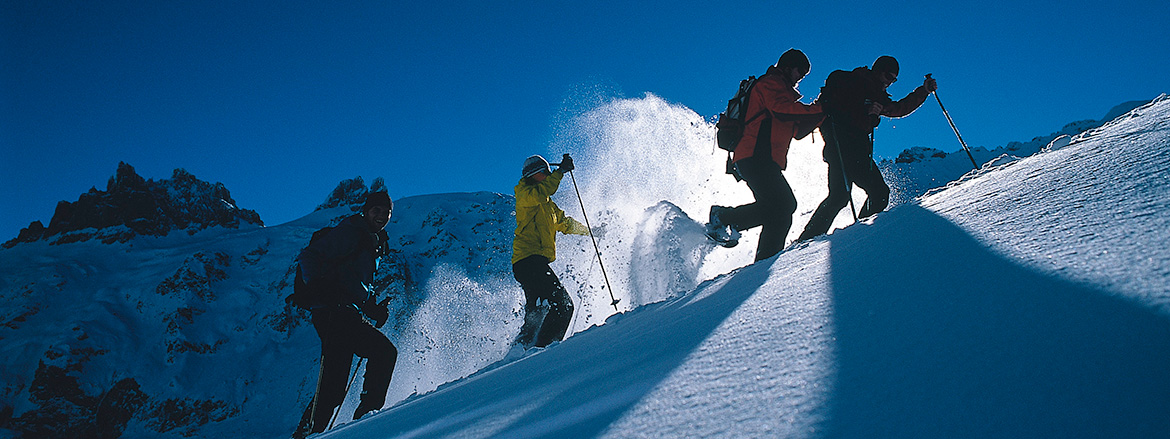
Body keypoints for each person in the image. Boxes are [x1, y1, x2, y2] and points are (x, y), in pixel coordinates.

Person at [796, 55, 937, 241]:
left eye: (894, 79)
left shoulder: (856, 83)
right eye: (889, 77)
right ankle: (859, 238)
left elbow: (895, 109)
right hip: (853, 150)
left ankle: (805, 240)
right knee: (879, 193)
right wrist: (922, 92)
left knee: (838, 197)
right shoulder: (867, 88)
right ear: (878, 71)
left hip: (835, 149)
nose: (890, 83)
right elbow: (897, 109)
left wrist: (922, 92)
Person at [706, 48, 824, 261]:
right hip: (753, 155)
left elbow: (796, 132)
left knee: (778, 212)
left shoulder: (785, 95)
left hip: (763, 159)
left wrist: (820, 114)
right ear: (788, 67)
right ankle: (724, 217)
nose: (801, 78)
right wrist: (819, 110)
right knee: (785, 205)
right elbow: (781, 110)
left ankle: (766, 261)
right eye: (800, 72)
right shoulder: (770, 84)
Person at [296, 191, 397, 435]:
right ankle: (366, 419)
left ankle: (308, 433)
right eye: (377, 210)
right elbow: (308, 256)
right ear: (366, 210)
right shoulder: (352, 231)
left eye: (387, 212)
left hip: (345, 313)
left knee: (332, 388)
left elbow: (353, 281)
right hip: (333, 313)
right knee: (383, 352)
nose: (381, 215)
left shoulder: (374, 240)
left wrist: (373, 308)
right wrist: (317, 286)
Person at [512, 154, 590, 349]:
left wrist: (590, 231)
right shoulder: (525, 194)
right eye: (543, 173)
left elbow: (566, 223)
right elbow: (541, 193)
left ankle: (519, 351)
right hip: (529, 262)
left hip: (533, 263)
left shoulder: (547, 206)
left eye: (548, 173)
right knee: (563, 306)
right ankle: (544, 353)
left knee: (537, 313)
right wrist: (560, 172)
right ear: (532, 175)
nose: (547, 176)